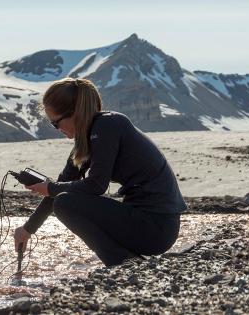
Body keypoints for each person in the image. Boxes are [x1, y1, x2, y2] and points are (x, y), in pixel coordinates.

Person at [14, 78, 187, 267]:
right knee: (63, 199)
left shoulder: (107, 125)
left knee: (65, 203)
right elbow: (61, 185)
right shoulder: (88, 139)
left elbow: (96, 186)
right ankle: (128, 262)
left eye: (56, 123)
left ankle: (122, 263)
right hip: (148, 223)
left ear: (74, 113)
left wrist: (51, 187)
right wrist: (27, 230)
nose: (57, 130)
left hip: (157, 228)